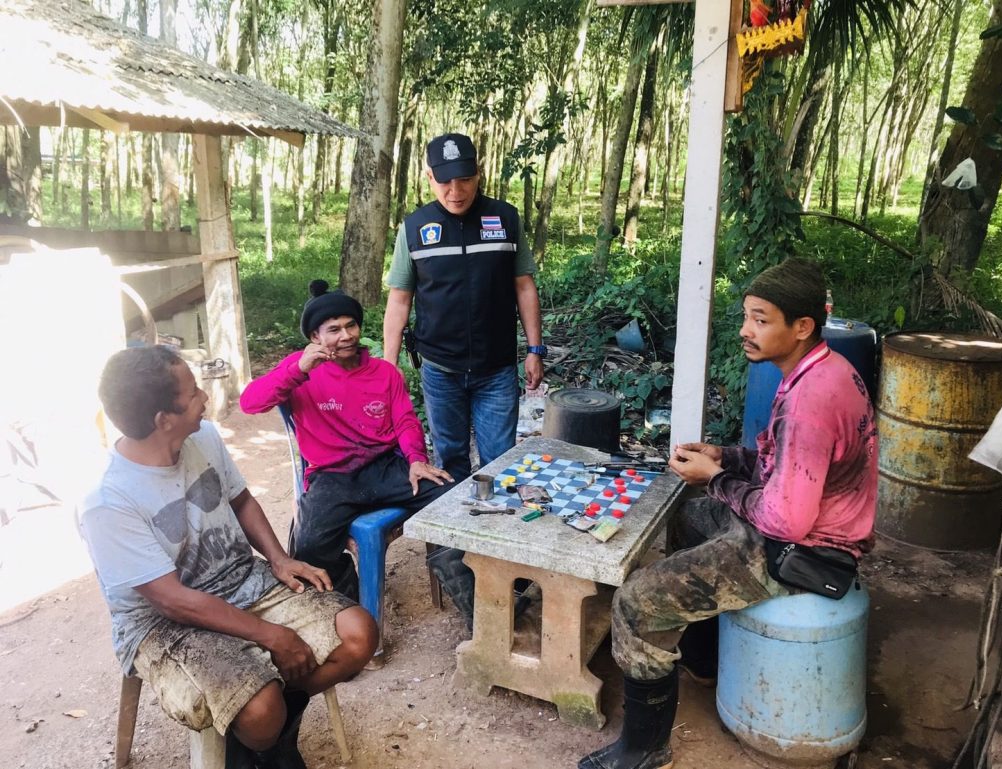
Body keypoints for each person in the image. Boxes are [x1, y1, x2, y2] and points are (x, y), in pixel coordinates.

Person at [578, 258, 878, 769]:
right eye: (746, 316)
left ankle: (644, 749)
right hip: (799, 525)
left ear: (802, 326)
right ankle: (703, 660)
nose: (745, 330)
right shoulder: (821, 368)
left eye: (761, 319)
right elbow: (786, 466)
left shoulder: (811, 402)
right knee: (690, 517)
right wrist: (727, 456)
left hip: (801, 552)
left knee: (635, 603)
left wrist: (715, 478)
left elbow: (784, 521)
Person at [80, 346, 378, 769]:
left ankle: (267, 734)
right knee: (259, 706)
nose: (204, 396)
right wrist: (273, 636)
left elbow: (241, 500)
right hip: (162, 623)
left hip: (241, 579)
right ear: (163, 420)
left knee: (359, 634)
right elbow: (172, 601)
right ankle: (266, 736)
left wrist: (279, 559)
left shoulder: (202, 436)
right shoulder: (109, 502)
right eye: (193, 393)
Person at [240, 281, 454, 600]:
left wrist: (415, 459)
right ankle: (347, 606)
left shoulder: (384, 372)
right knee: (309, 546)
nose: (346, 335)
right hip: (331, 476)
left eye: (351, 325)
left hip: (385, 467)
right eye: (334, 329)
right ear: (315, 337)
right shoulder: (300, 370)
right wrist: (298, 370)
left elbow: (405, 421)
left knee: (453, 500)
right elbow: (250, 403)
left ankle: (467, 591)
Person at [383, 131, 545, 483]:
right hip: (440, 369)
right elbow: (399, 298)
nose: (455, 191)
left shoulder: (505, 218)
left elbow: (524, 286)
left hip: (497, 368)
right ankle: (450, 523)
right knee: (449, 462)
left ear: (478, 174)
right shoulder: (414, 228)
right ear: (430, 177)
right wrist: (389, 364)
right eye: (445, 182)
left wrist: (535, 350)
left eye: (465, 180)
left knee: (499, 463)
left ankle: (494, 520)